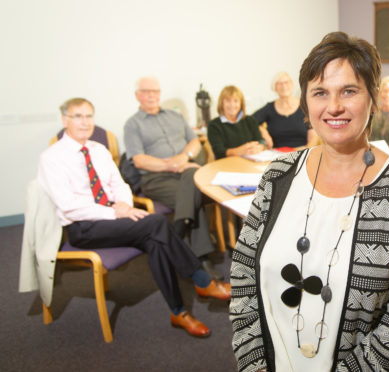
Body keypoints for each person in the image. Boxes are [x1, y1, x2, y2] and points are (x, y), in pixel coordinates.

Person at [230, 32, 389, 371]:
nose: (334, 106)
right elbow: (242, 276)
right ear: (305, 102)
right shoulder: (277, 175)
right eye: (320, 92)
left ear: (373, 98)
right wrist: (254, 365)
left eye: (349, 91)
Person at [38, 98, 231, 338]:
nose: (85, 122)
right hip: (83, 228)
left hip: (115, 218)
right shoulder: (52, 157)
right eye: (78, 116)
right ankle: (202, 280)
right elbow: (68, 206)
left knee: (156, 240)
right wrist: (115, 212)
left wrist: (125, 206)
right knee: (157, 223)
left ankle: (178, 312)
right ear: (65, 120)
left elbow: (119, 185)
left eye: (89, 116)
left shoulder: (99, 151)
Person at [123, 76, 224, 280]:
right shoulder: (132, 124)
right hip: (156, 179)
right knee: (193, 190)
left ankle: (176, 236)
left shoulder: (175, 116)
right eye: (146, 91)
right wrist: (171, 164)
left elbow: (195, 142)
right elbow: (139, 160)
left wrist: (184, 158)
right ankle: (202, 258)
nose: (152, 95)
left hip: (186, 171)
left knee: (191, 180)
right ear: (137, 95)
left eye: (155, 91)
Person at [252, 71, 318, 149]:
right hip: (277, 154)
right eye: (279, 83)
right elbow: (250, 122)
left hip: (301, 151)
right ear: (274, 87)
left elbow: (313, 138)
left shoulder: (305, 107)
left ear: (292, 85)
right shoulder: (269, 108)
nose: (284, 86)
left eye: (286, 82)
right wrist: (263, 132)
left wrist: (305, 154)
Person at [207, 85, 266, 159]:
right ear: (222, 103)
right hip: (225, 165)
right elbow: (219, 152)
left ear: (241, 104)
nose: (232, 104)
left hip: (250, 162)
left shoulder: (250, 120)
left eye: (236, 101)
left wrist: (260, 147)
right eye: (228, 100)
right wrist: (239, 150)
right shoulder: (214, 125)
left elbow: (261, 141)